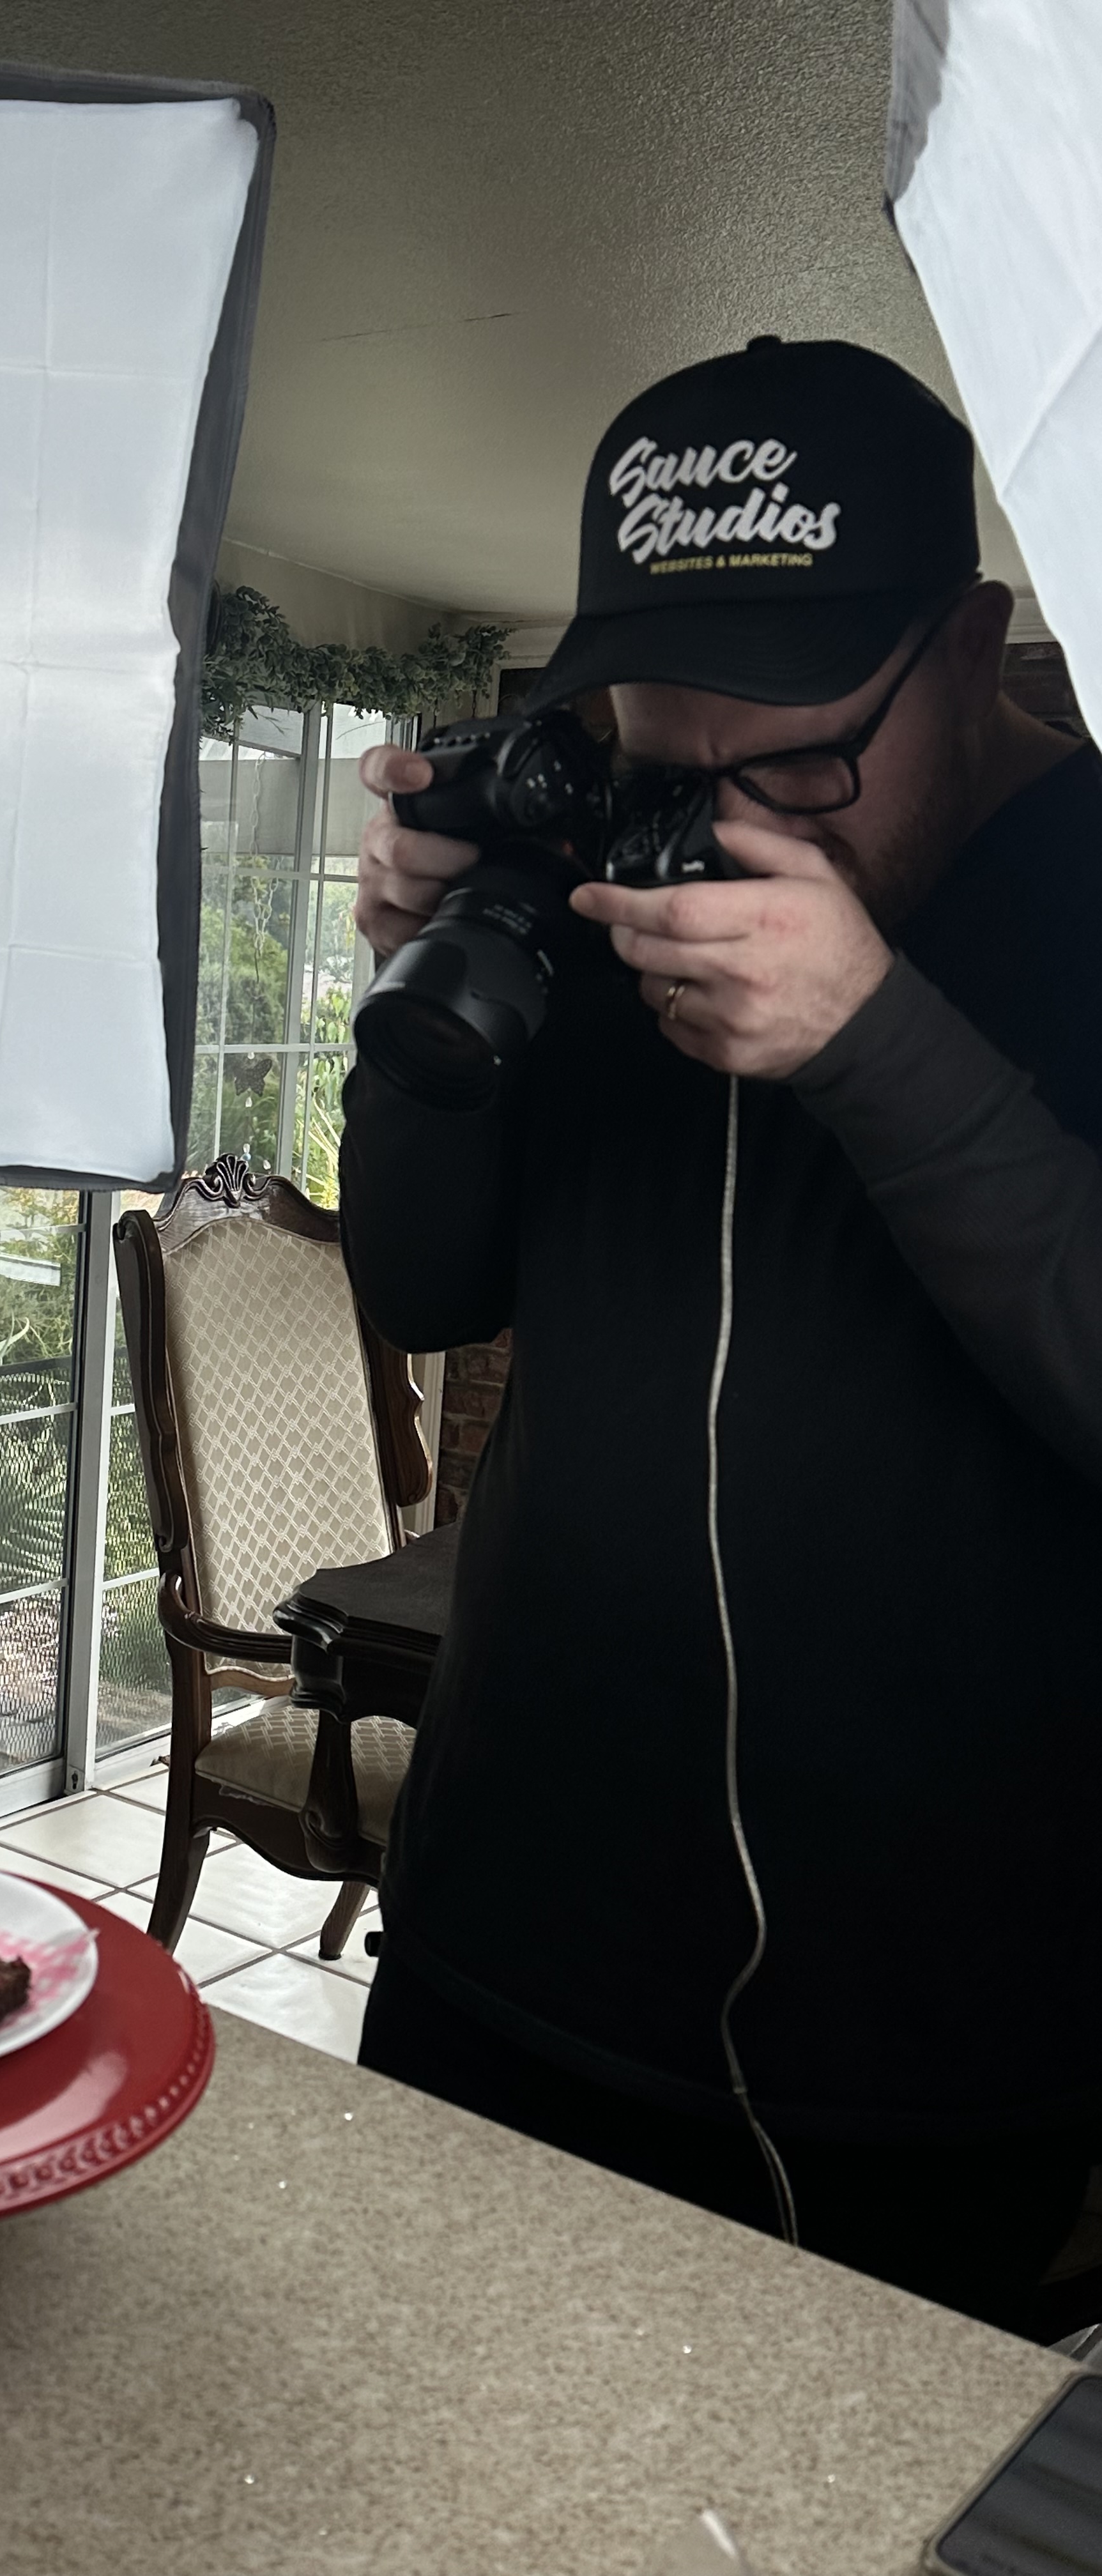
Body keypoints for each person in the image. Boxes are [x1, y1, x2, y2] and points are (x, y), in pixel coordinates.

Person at [341, 335, 1102, 2332]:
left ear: (971, 645)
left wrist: (880, 1045)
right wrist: (418, 995)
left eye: (793, 771)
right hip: (510, 1931)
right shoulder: (609, 840)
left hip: (935, 2030)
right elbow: (430, 1294)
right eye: (673, 773)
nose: (721, 838)